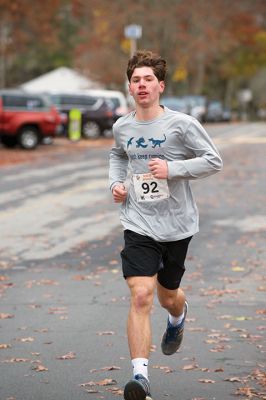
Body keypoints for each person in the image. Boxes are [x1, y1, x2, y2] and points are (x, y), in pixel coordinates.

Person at [109, 50, 223, 400]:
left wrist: (172, 170)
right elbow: (117, 155)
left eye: (147, 79)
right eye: (135, 80)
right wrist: (115, 184)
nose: (141, 85)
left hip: (177, 224)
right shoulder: (122, 126)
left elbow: (213, 161)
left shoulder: (182, 124)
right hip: (138, 220)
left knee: (167, 296)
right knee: (141, 293)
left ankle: (178, 317)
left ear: (160, 86)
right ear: (130, 87)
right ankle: (139, 377)